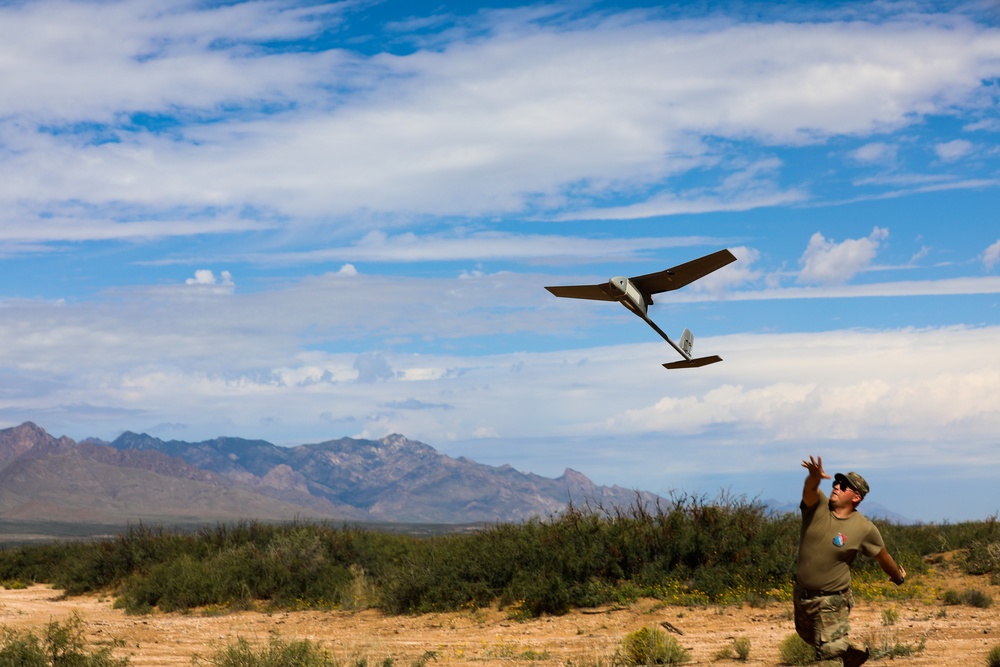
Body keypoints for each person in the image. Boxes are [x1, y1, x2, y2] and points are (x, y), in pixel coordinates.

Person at [794, 456, 907, 667]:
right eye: (836, 482)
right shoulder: (818, 507)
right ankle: (845, 651)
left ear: (856, 497)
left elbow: (883, 557)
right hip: (802, 596)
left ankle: (837, 650)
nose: (836, 486)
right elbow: (810, 490)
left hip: (832, 601)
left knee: (828, 656)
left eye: (843, 485)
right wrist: (813, 477)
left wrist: (898, 576)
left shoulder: (864, 528)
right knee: (810, 637)